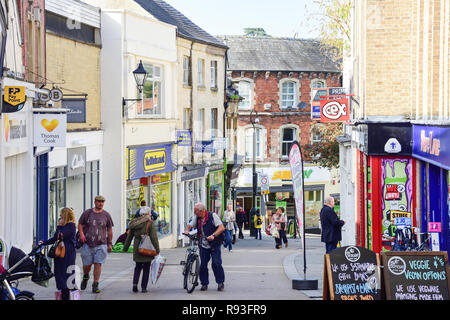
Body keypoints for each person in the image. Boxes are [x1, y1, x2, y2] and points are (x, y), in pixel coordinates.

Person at [184, 203, 226, 292]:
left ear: (202, 211)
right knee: (203, 265)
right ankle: (204, 283)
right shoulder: (197, 217)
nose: (194, 213)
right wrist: (187, 230)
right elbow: (190, 225)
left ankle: (220, 282)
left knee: (216, 263)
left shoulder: (212, 216)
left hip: (215, 243)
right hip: (203, 244)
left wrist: (213, 235)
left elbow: (221, 227)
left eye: (196, 211)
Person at [78, 195, 114, 294]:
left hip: (101, 243)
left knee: (98, 264)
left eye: (102, 202)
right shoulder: (87, 213)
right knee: (87, 265)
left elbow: (110, 230)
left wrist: (110, 244)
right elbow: (80, 223)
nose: (101, 203)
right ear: (95, 202)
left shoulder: (106, 215)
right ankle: (86, 276)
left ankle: (95, 284)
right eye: (99, 201)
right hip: (87, 244)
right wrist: (81, 234)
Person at [40, 208, 77, 300]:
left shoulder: (71, 226)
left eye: (61, 216)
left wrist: (59, 226)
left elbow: (60, 235)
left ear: (65, 216)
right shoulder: (64, 226)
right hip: (60, 254)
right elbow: (54, 238)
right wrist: (44, 243)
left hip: (67, 254)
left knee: (66, 275)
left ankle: (66, 295)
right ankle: (62, 293)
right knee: (59, 274)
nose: (59, 218)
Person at [123, 211, 160, 293]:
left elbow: (129, 237)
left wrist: (125, 248)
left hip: (137, 247)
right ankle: (144, 288)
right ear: (147, 214)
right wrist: (157, 249)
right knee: (146, 268)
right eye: (150, 213)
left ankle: (135, 284)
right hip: (147, 247)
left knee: (138, 267)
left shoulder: (134, 223)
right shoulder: (150, 223)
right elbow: (154, 238)